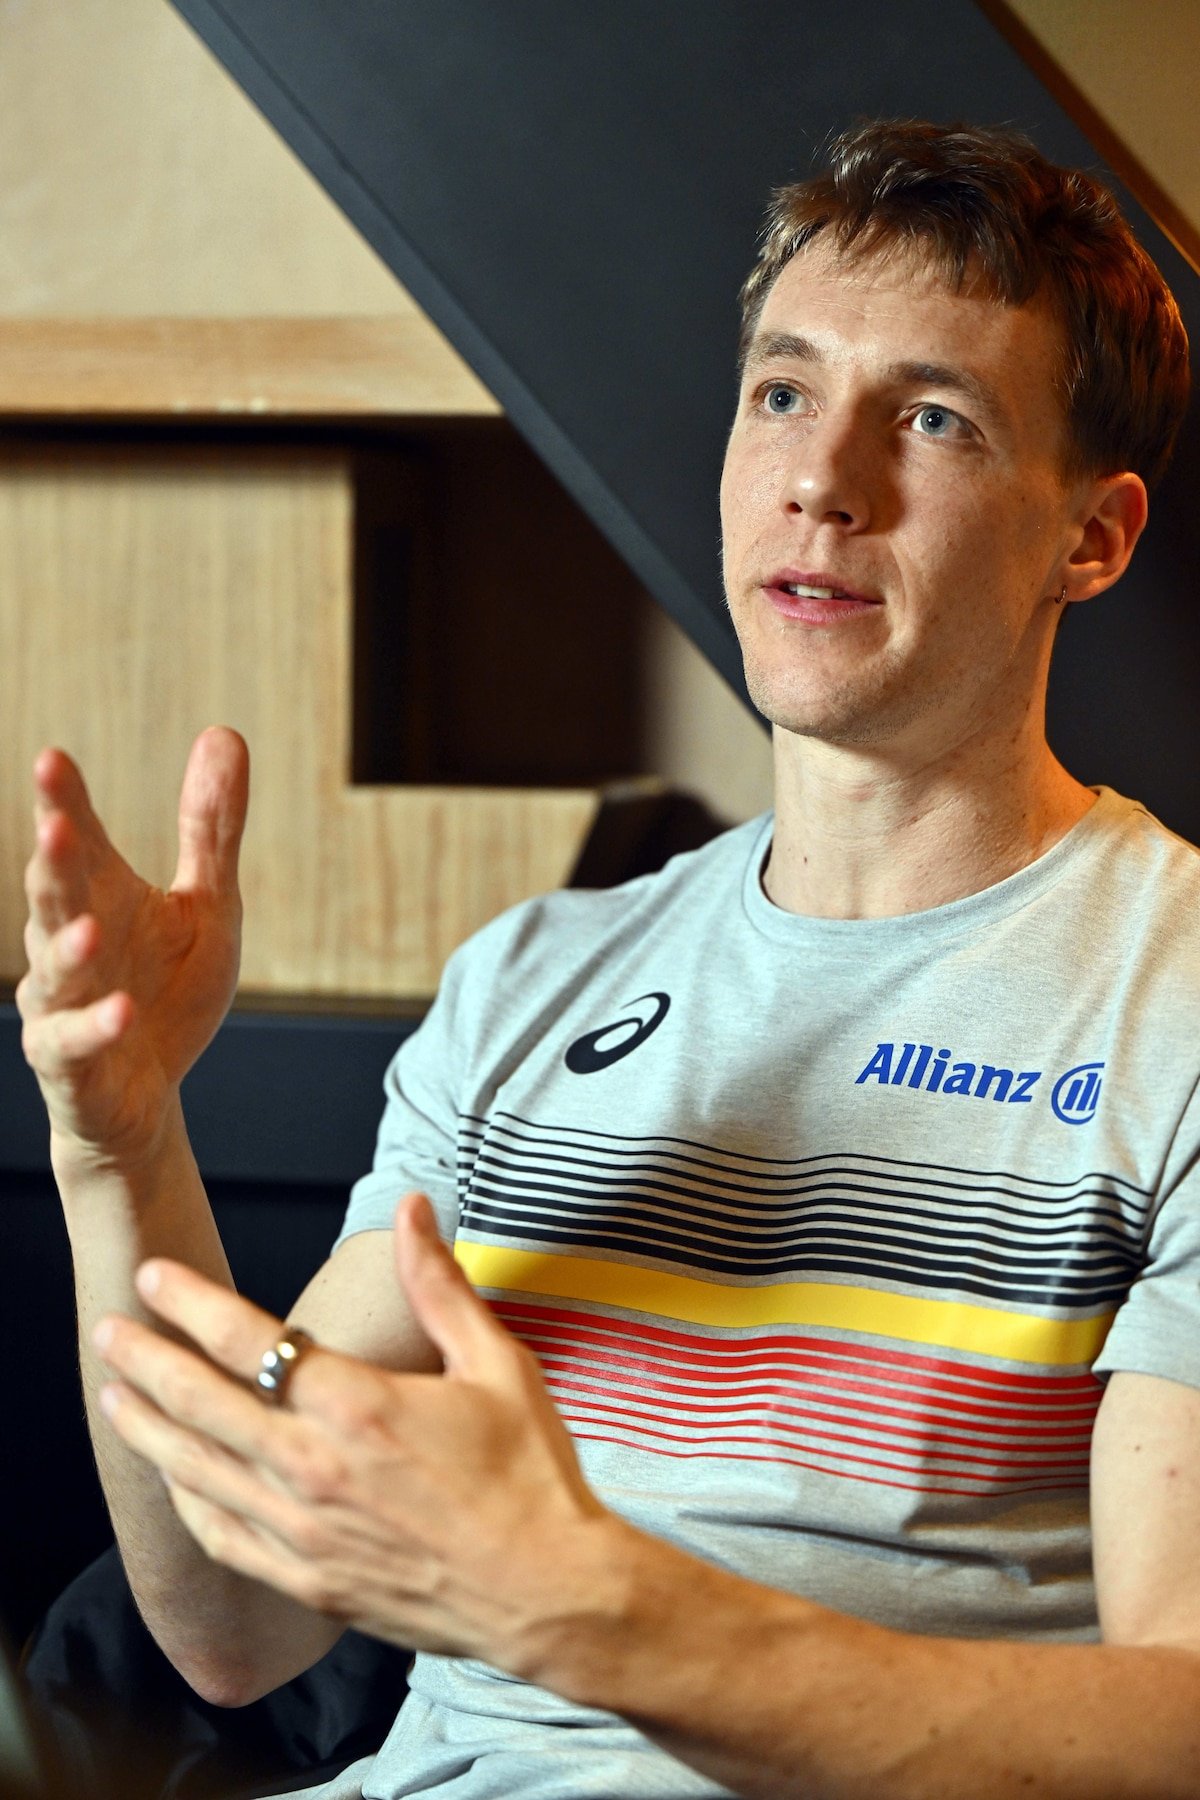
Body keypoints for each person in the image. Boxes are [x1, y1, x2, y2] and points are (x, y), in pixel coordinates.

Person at [19, 118, 1200, 1800]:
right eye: (782, 393)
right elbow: (237, 1623)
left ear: (1092, 537)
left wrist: (595, 1615)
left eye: (930, 417)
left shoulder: (1175, 1000)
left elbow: (1181, 1724)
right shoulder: (536, 980)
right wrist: (117, 1143)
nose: (822, 477)